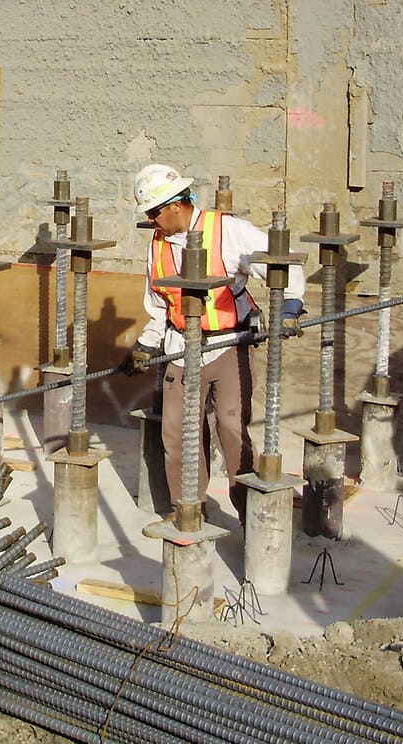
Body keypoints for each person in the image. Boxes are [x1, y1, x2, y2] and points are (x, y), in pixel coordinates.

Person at [124, 163, 306, 518]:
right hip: (181, 348)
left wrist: (289, 307)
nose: (151, 220)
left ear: (177, 204)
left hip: (227, 346)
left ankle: (251, 515)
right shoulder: (158, 244)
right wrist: (147, 343)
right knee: (177, 436)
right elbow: (160, 303)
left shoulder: (228, 230)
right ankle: (189, 511)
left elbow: (280, 262)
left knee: (232, 430)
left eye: (154, 212)